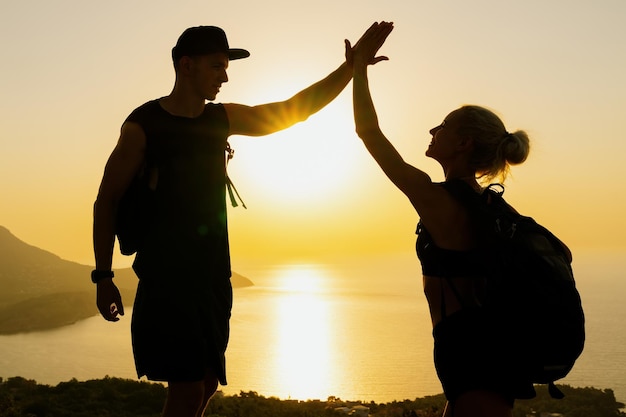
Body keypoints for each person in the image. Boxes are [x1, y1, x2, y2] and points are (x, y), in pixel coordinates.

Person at [92, 23, 392, 417]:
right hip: (169, 278)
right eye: (217, 65)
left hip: (214, 277)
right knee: (188, 387)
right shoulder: (144, 125)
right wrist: (103, 277)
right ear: (186, 64)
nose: (225, 75)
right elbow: (106, 201)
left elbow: (292, 112)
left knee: (208, 382)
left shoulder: (220, 119)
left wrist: (349, 69)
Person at [349, 22, 534, 417]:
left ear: (464, 143)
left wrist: (358, 70)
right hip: (484, 358)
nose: (433, 129)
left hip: (475, 360)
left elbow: (369, 133)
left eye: (444, 126)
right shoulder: (492, 206)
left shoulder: (440, 201)